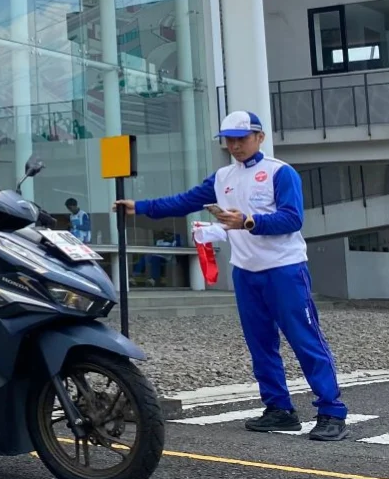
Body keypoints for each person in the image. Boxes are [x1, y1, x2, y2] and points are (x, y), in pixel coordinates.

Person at [113, 110, 348, 442]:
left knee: (305, 341)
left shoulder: (281, 173)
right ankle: (279, 410)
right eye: (229, 140)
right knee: (260, 344)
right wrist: (141, 206)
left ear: (260, 137)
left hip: (285, 269)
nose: (235, 145)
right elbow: (185, 201)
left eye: (242, 138)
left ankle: (331, 411)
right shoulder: (222, 177)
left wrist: (248, 222)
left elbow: (292, 219)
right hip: (247, 271)